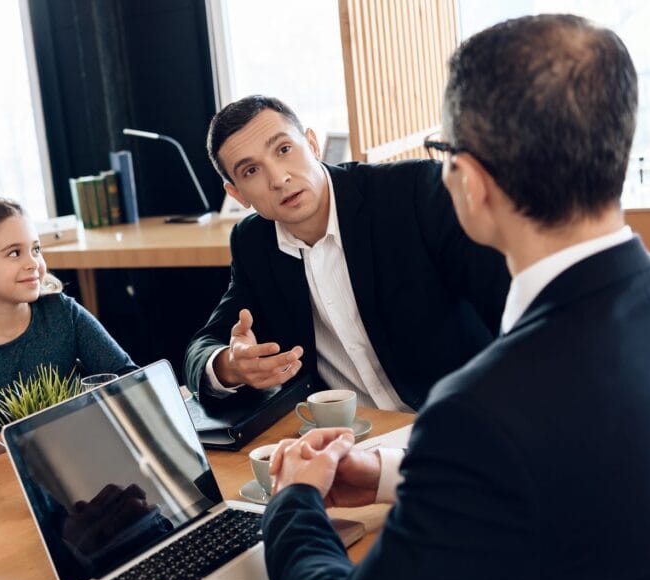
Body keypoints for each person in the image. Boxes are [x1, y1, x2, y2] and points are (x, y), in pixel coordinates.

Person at [264, 14, 650, 580]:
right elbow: (573, 484)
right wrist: (394, 475)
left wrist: (294, 503)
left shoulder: (482, 410)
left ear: (469, 182)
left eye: (443, 154)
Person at [184, 95, 510, 418]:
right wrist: (230, 366)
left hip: (463, 420)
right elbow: (203, 347)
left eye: (284, 150)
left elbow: (512, 304)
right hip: (348, 439)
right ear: (237, 194)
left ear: (312, 144)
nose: (278, 178)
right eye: (252, 170)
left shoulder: (412, 192)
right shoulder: (253, 242)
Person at [0, 199, 136, 434]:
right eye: (14, 253)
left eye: (36, 249)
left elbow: (130, 380)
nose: (33, 262)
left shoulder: (63, 312)